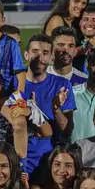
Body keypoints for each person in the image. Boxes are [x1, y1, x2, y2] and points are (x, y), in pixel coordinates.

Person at [21, 33, 75, 176]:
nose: (39, 57)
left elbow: (67, 131)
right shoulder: (13, 84)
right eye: (35, 52)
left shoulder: (62, 85)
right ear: (26, 55)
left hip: (50, 163)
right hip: (19, 160)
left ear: (52, 58)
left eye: (45, 53)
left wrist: (56, 109)